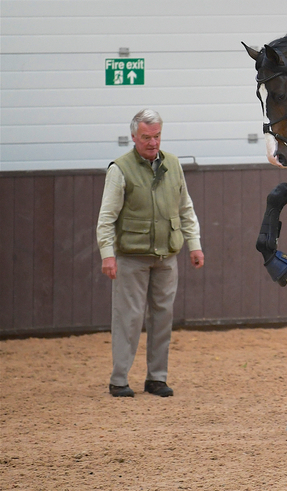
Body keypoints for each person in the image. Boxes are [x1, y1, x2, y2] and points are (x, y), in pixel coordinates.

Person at [96, 109, 204, 398]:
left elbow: (185, 208)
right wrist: (107, 254)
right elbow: (106, 217)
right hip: (130, 258)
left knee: (162, 318)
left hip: (167, 257)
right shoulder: (119, 169)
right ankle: (119, 379)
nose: (153, 142)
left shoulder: (173, 164)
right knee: (128, 319)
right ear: (133, 137)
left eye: (157, 136)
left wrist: (194, 244)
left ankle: (157, 378)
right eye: (146, 137)